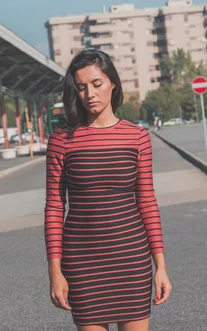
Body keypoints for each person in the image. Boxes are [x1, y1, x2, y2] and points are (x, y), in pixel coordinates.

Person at [45, 49, 172, 331]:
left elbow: (147, 202)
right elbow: (54, 207)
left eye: (97, 84)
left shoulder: (136, 137)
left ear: (113, 83)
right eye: (81, 87)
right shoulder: (62, 140)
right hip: (82, 263)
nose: (89, 93)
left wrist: (160, 266)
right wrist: (55, 271)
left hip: (131, 259)